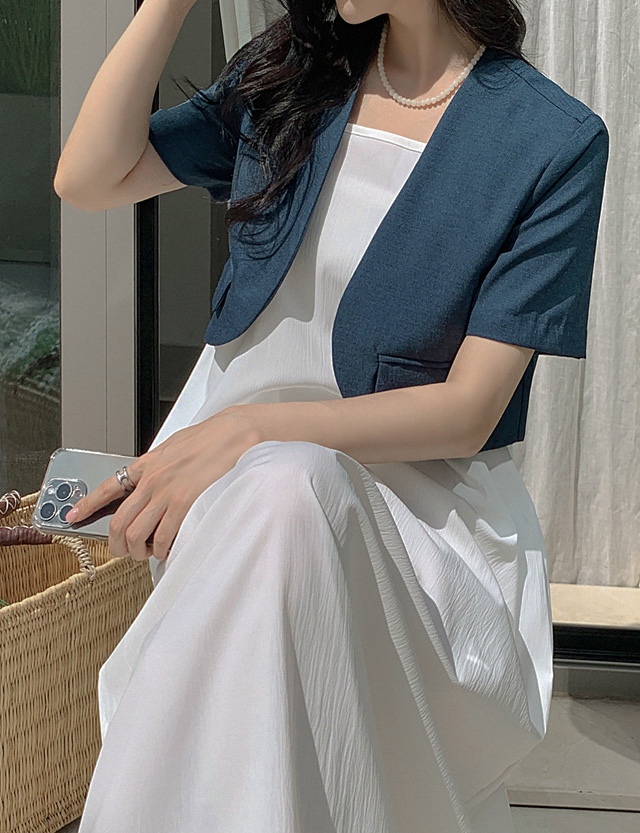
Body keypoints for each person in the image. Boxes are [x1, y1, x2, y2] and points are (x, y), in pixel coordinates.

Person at [54, 0, 608, 831]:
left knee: (289, 488)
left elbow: (466, 411)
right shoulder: (292, 76)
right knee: (281, 496)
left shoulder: (549, 140)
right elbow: (88, 177)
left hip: (414, 514)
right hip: (233, 496)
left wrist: (250, 431)